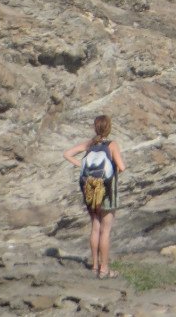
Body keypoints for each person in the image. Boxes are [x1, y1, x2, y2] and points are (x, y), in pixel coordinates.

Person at [63, 114, 125, 279]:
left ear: (95, 128)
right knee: (105, 230)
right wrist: (110, 173)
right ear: (109, 128)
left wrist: (81, 165)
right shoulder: (112, 145)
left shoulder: (90, 144)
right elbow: (122, 167)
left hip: (89, 188)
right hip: (106, 191)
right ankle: (104, 269)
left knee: (95, 227)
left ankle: (95, 266)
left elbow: (67, 153)